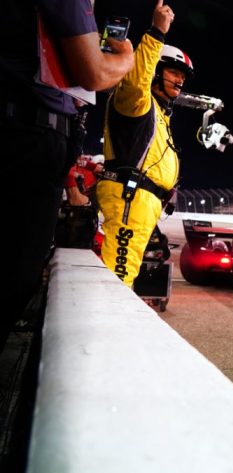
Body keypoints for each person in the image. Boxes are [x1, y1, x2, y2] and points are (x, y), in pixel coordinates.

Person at [0, 0, 134, 347]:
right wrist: (126, 58)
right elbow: (95, 73)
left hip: (25, 130)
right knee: (14, 278)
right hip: (29, 135)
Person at [97, 1, 189, 287]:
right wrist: (157, 33)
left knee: (125, 274)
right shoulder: (137, 101)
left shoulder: (159, 112)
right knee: (117, 278)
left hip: (141, 202)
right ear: (156, 71)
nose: (180, 81)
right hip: (131, 198)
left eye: (183, 76)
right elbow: (137, 81)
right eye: (174, 72)